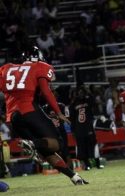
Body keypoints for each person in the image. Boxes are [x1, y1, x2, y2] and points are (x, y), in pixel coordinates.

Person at [0, 46, 88, 185]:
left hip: (13, 117)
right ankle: (33, 144)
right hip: (29, 110)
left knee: (45, 150)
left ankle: (74, 177)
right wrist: (58, 113)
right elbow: (47, 92)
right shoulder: (39, 66)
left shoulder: (6, 68)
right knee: (57, 144)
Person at [69, 86, 102, 170]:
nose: (81, 93)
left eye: (82, 92)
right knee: (82, 147)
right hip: (79, 128)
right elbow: (72, 119)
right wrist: (73, 130)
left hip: (88, 127)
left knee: (93, 144)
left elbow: (94, 102)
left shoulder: (88, 100)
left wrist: (88, 91)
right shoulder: (73, 104)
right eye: (79, 92)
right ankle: (87, 165)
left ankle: (98, 163)